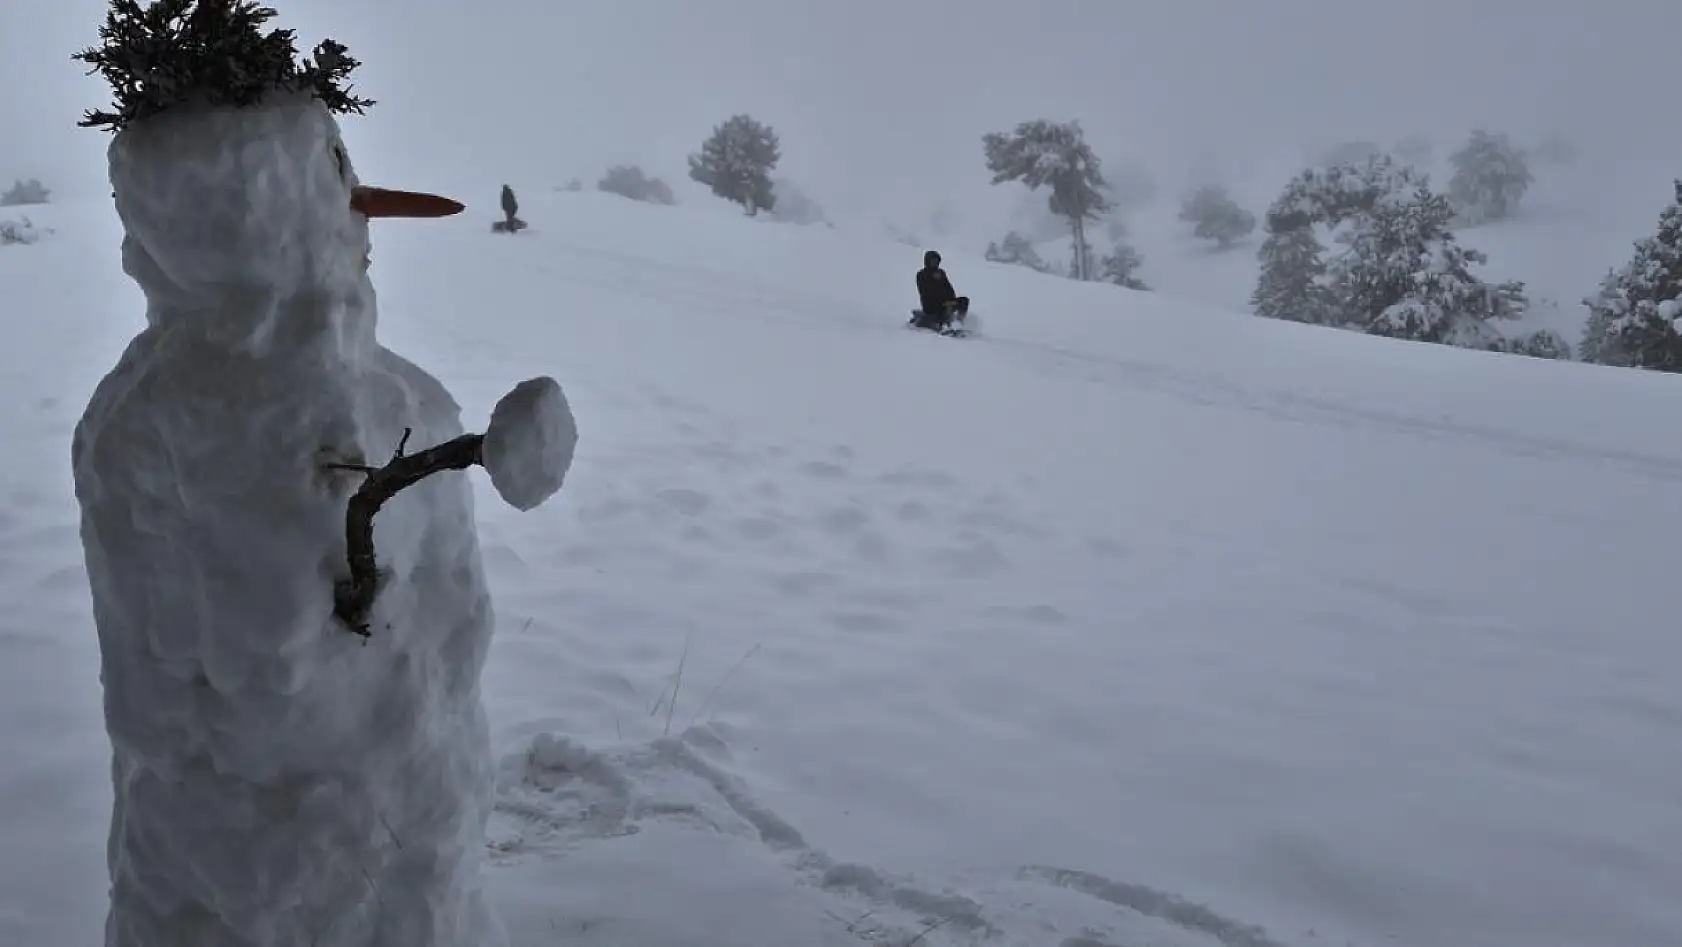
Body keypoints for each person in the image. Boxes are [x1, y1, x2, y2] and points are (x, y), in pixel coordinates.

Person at [914, 250, 969, 331]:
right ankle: (945, 325)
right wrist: (943, 301)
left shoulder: (941, 272)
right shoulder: (922, 274)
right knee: (946, 307)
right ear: (927, 261)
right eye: (933, 261)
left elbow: (948, 287)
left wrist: (951, 299)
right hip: (930, 304)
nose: (935, 263)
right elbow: (926, 292)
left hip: (945, 301)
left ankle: (959, 323)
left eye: (936, 261)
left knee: (964, 300)